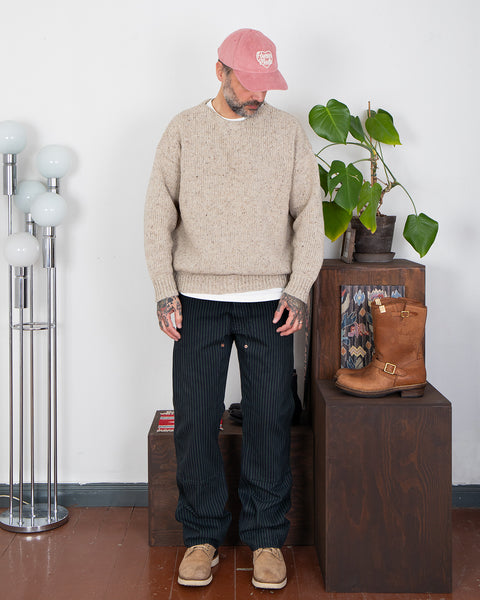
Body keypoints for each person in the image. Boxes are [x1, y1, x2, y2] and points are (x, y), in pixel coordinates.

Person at [144, 28, 324, 590]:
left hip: (270, 303)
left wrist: (299, 288)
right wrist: (164, 289)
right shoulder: (182, 129)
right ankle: (201, 537)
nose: (260, 95)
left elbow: (310, 216)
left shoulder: (287, 132)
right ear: (220, 70)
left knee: (270, 420)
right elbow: (157, 215)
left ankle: (266, 538)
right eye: (250, 83)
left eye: (267, 85)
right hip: (196, 301)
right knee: (195, 422)